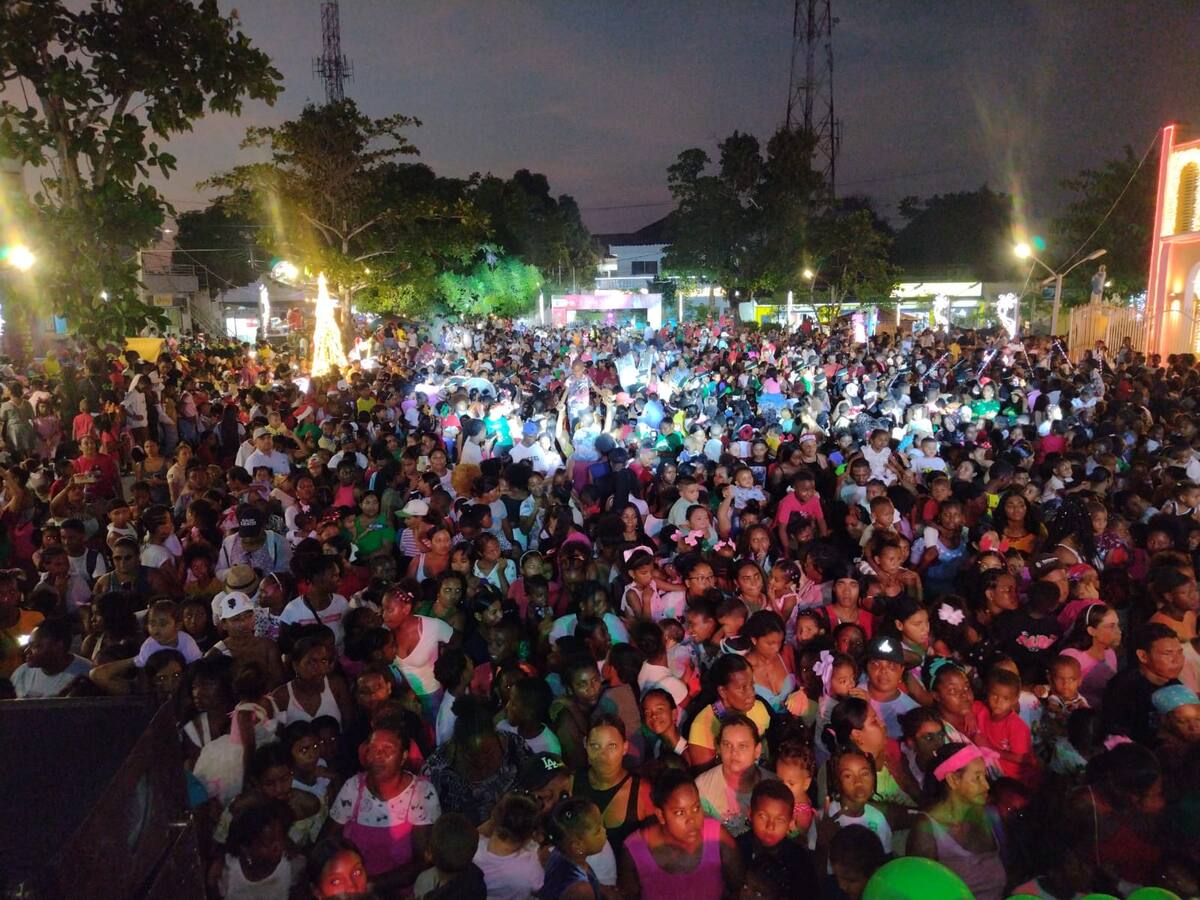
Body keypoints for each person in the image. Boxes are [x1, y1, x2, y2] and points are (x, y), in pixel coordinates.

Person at [326, 714, 440, 890]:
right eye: (374, 749)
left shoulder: (421, 792)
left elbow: (422, 861)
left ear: (403, 757)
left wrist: (369, 886)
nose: (379, 755)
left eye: (388, 749)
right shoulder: (354, 788)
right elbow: (328, 841)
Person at [617, 769, 743, 900]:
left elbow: (738, 889)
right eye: (680, 813)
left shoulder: (717, 836)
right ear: (661, 815)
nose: (692, 820)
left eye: (696, 808)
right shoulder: (635, 849)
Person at [905, 742, 1006, 900]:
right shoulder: (927, 829)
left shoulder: (989, 816)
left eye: (985, 777)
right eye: (977, 778)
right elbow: (919, 890)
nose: (986, 786)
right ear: (952, 780)